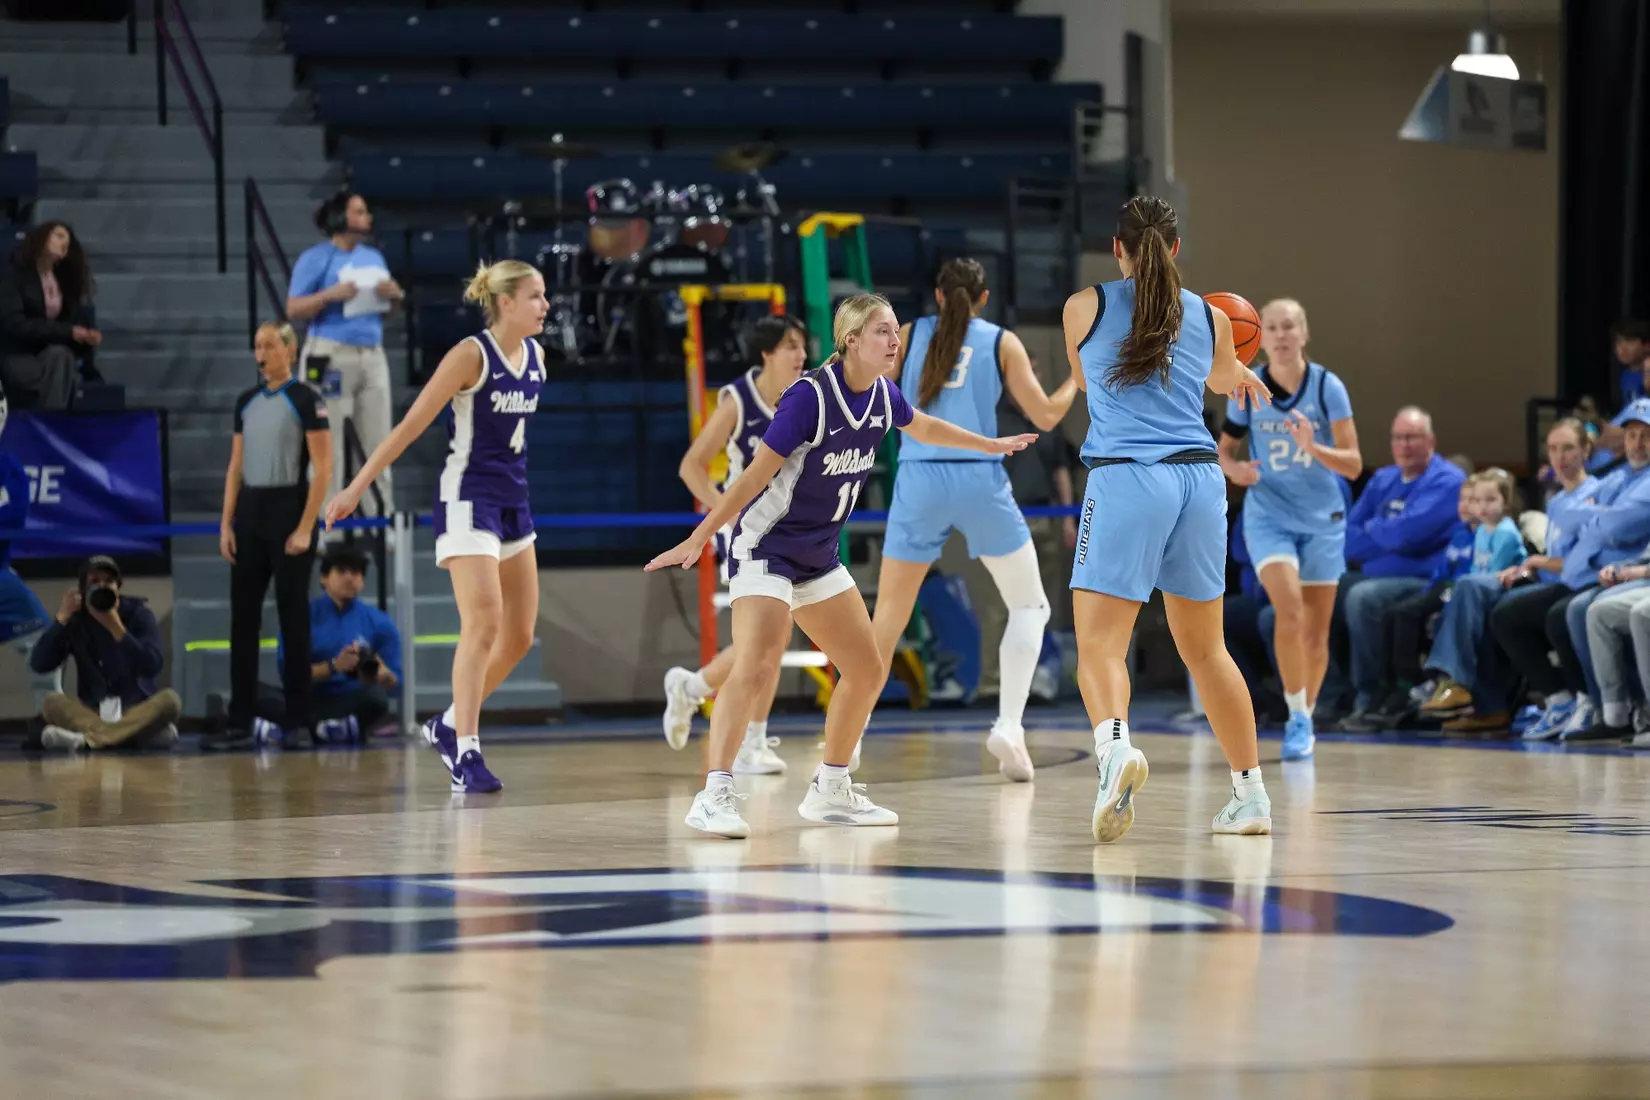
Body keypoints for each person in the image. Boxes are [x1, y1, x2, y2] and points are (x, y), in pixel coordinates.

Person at [644, 293, 1034, 839]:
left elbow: (923, 426)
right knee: (756, 663)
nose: (894, 341)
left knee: (868, 669)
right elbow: (754, 476)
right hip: (766, 547)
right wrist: (702, 534)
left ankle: (831, 788)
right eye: (881, 332)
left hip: (819, 557)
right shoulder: (810, 398)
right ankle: (714, 795)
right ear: (850, 340)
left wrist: (988, 444)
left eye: (895, 331)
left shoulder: (883, 395)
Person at [1061, 194, 1274, 844]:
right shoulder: (1211, 315)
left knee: (1100, 645)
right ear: (1175, 248)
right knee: (1208, 651)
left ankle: (1115, 752)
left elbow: (1086, 380)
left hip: (1129, 476)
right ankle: (1250, 795)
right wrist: (1237, 367)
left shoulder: (1084, 307)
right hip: (1200, 482)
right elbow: (1221, 382)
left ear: (1117, 249)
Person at [325, 260, 548, 793]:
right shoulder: (471, 355)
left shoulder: (537, 357)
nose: (545, 305)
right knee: (484, 622)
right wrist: (356, 487)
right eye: (536, 296)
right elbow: (409, 426)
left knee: (519, 635)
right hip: (467, 497)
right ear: (506, 303)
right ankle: (466, 749)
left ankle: (447, 724)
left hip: (513, 501)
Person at [869, 258, 1078, 782]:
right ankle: (1009, 726)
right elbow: (1046, 416)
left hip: (919, 476)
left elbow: (872, 393)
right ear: (984, 298)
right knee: (1029, 605)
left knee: (888, 617)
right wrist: (1076, 378)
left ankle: (847, 737)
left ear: (939, 296)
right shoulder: (1002, 342)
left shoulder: (909, 334)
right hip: (979, 475)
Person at [661, 314, 808, 775]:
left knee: (769, 642)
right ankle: (748, 742)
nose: (801, 354)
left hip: (791, 529)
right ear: (766, 354)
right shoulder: (738, 400)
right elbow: (691, 466)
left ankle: (692, 688)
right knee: (769, 638)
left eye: (802, 345)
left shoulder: (805, 395)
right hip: (748, 534)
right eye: (790, 346)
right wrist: (725, 512)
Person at [1217, 297, 1361, 760]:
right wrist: (1235, 470)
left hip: (1322, 518)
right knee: (1290, 611)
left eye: (1289, 326)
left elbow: (1353, 464)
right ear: (1261, 336)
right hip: (1269, 515)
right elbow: (1223, 451)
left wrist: (1313, 447)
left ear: (1304, 333)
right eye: (1273, 327)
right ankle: (1295, 713)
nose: (1280, 335)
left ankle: (1304, 716)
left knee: (1316, 634)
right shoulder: (1248, 385)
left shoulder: (1327, 387)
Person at [202, 322, 332, 750]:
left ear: (289, 350)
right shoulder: (246, 401)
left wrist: (306, 526)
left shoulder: (306, 399)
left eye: (270, 346)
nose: (261, 354)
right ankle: (240, 721)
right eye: (257, 346)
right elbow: (235, 467)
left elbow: (323, 469)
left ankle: (299, 721)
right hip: (251, 513)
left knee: (293, 619)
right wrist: (226, 524)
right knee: (243, 620)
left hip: (289, 508)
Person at [1492, 400, 1650, 741]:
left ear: (1586, 451)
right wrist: (1602, 517)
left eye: (1645, 436)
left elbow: (1616, 527)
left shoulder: (1638, 481)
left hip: (1611, 576)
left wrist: (1598, 518)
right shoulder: (1620, 476)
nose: (1637, 444)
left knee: (1568, 613)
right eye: (1631, 435)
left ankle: (1598, 702)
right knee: (1506, 614)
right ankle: (1560, 700)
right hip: (1581, 575)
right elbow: (1573, 515)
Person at [1322, 408, 1466, 726]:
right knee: (1325, 587)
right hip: (1378, 573)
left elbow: (1407, 536)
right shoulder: (1383, 479)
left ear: (1431, 441)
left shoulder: (1448, 481)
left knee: (1362, 597)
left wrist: (1376, 530)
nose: (1404, 445)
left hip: (1424, 579)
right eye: (1398, 438)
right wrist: (1388, 534)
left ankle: (1372, 697)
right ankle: (1334, 695)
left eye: (1412, 437)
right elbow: (1346, 538)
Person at [287, 192, 403, 519]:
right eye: (359, 211)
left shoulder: (374, 258)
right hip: (330, 355)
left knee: (379, 442)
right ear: (340, 217)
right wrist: (329, 295)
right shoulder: (316, 258)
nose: (368, 217)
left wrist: (394, 296)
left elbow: (387, 311)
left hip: (372, 354)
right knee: (328, 444)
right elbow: (294, 308)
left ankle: (379, 520)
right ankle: (325, 524)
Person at [252, 545, 403, 745]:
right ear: (324, 577)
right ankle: (328, 730)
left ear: (363, 580)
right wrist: (333, 667)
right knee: (252, 691)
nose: (349, 578)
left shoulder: (380, 623)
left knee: (376, 699)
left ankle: (294, 730)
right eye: (341, 571)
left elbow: (396, 685)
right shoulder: (301, 617)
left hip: (348, 700)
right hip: (305, 698)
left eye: (356, 572)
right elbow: (289, 675)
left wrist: (383, 676)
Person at [29, 555, 180, 751]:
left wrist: (117, 629)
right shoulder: (77, 620)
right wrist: (62, 618)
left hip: (136, 709)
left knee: (170, 700)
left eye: (109, 581)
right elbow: (39, 664)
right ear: (83, 590)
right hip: (92, 713)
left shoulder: (138, 614)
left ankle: (86, 741)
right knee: (51, 702)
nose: (102, 587)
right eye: (94, 582)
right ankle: (135, 736)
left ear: (118, 588)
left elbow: (153, 666)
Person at [0, 392, 63, 723]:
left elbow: (12, 518)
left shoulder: (9, 469)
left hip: (0, 577)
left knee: (44, 641)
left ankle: (50, 719)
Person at [0, 221, 100, 410]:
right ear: (42, 238)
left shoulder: (64, 282)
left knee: (61, 357)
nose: (65, 242)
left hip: (52, 357)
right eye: (59, 236)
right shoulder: (14, 277)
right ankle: (55, 420)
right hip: (17, 357)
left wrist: (85, 337)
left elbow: (70, 326)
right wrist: (68, 332)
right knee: (61, 363)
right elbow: (14, 325)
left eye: (68, 241)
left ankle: (49, 420)